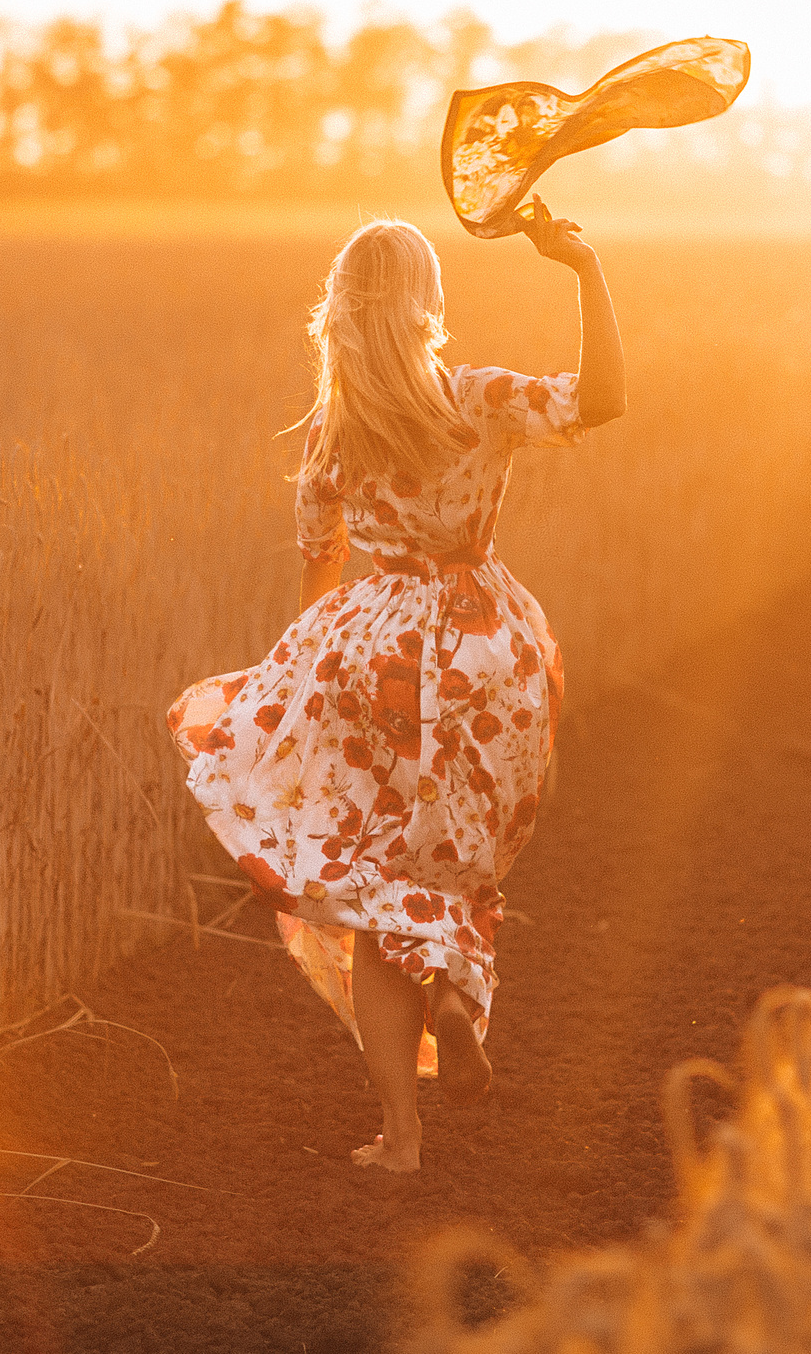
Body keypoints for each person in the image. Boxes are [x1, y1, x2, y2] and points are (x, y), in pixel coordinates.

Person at [169, 208, 624, 1172]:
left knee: (377, 888)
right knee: (462, 858)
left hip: (373, 661)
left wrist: (297, 702)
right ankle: (455, 999)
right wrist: (583, 265)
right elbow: (601, 400)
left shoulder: (334, 439)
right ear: (429, 305)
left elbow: (316, 577)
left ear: (340, 311)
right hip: (491, 651)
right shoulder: (476, 397)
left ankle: (402, 1138)